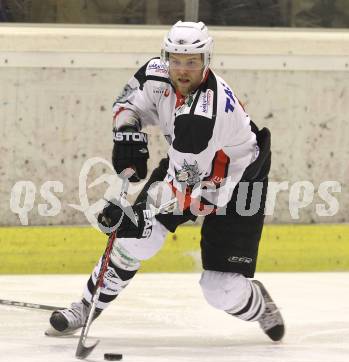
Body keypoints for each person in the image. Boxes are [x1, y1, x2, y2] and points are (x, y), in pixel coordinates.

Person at [46, 21, 285, 342]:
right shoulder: (155, 74)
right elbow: (127, 104)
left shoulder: (201, 117)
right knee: (137, 241)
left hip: (240, 180)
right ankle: (87, 306)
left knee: (221, 289)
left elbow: (186, 192)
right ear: (165, 56)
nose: (182, 70)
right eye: (176, 60)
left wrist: (135, 217)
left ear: (206, 61)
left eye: (192, 62)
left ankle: (259, 305)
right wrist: (127, 133)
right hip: (188, 169)